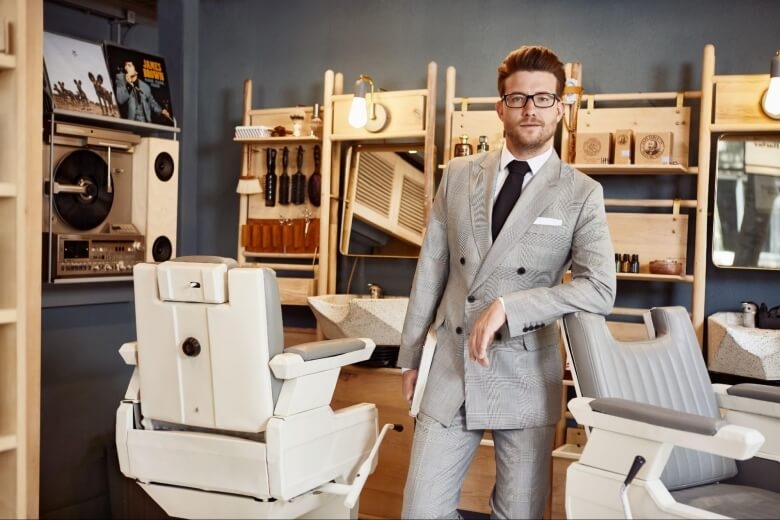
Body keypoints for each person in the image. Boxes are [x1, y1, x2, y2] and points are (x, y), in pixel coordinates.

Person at [397, 45, 617, 519]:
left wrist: (511, 307)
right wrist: (411, 357)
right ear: (500, 107)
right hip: (450, 366)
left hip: (524, 373)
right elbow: (431, 270)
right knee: (420, 511)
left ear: (561, 107)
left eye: (543, 98)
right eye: (518, 99)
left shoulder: (581, 193)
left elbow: (600, 288)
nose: (530, 109)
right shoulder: (456, 176)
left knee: (518, 513)